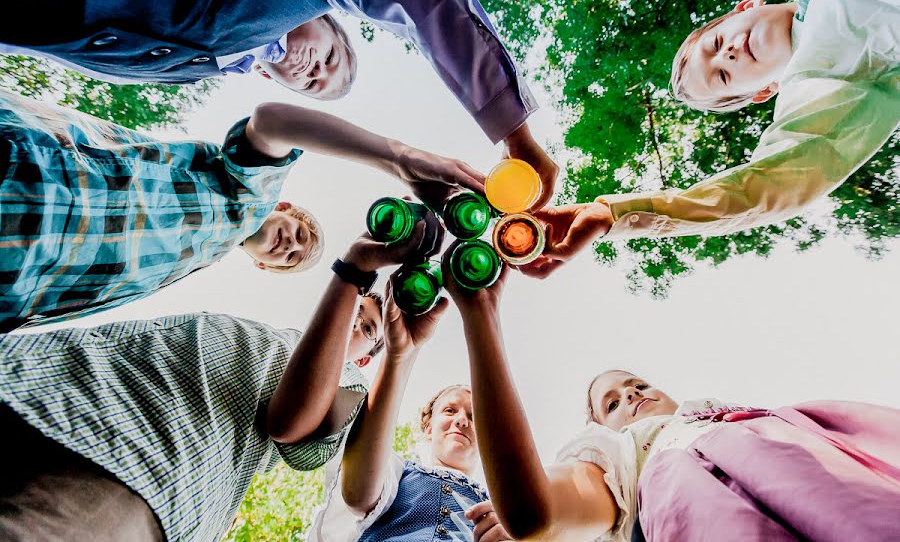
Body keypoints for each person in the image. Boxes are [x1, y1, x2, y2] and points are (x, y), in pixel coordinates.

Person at [0, 0, 558, 205]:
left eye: (313, 85)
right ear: (329, 18)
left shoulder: (187, 71)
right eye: (331, 60)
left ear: (277, 84)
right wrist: (517, 135)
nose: (315, 71)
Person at [0, 229, 426, 541]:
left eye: (369, 328)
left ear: (369, 356)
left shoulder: (350, 383)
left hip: (135, 463)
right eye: (358, 309)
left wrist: (352, 273)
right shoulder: (268, 334)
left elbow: (289, 423)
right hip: (38, 379)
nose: (356, 319)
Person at [443, 253, 900, 540]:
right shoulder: (626, 461)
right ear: (599, 431)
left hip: (840, 457)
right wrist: (481, 317)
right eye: (613, 402)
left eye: (637, 384)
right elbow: (534, 512)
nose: (632, 395)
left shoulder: (750, 418)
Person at [517, 0, 899, 279]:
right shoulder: (821, 82)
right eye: (724, 76)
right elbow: (764, 187)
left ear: (745, 7)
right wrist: (615, 214)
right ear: (765, 92)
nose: (729, 53)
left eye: (716, 43)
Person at [0, 89, 479, 331]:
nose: (291, 245)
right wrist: (397, 158)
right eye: (298, 234)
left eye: (291, 257)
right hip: (28, 171)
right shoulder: (248, 197)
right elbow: (273, 121)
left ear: (263, 266)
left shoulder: (188, 264)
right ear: (283, 207)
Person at [308, 279, 512, 542]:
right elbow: (358, 494)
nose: (461, 421)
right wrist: (400, 354)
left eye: (475, 418)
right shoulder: (398, 473)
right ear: (428, 427)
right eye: (450, 410)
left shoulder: (503, 515)